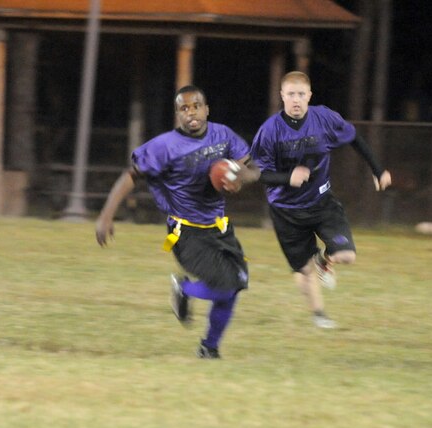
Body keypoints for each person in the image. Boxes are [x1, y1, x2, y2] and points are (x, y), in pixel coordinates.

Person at [96, 85, 260, 359]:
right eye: (184, 108)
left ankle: (209, 348)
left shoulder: (223, 136)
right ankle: (184, 289)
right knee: (226, 284)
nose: (191, 112)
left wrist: (241, 176)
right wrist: (106, 215)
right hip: (186, 233)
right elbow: (131, 175)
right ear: (177, 115)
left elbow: (254, 169)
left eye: (196, 106)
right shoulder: (165, 146)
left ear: (206, 109)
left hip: (220, 229)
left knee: (235, 286)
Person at [250, 71, 392, 329]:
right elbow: (256, 172)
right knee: (303, 270)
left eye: (301, 94)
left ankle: (324, 261)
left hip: (321, 202)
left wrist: (377, 169)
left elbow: (354, 138)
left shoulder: (323, 118)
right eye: (291, 94)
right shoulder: (269, 131)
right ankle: (319, 315)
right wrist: (286, 177)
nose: (296, 100)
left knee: (347, 256)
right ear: (282, 96)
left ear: (309, 96)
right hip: (286, 211)